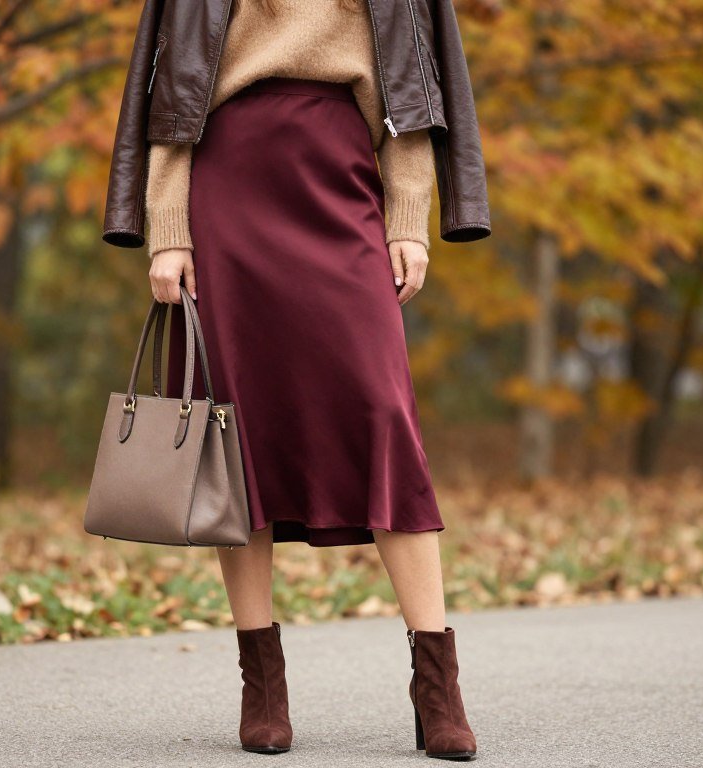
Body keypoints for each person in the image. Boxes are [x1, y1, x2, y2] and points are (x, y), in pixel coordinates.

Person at [102, 0, 491, 760]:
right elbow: (172, 96)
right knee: (237, 434)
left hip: (339, 179)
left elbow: (408, 87)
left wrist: (409, 216)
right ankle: (263, 683)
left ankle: (437, 682)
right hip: (228, 188)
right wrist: (169, 232)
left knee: (383, 415)